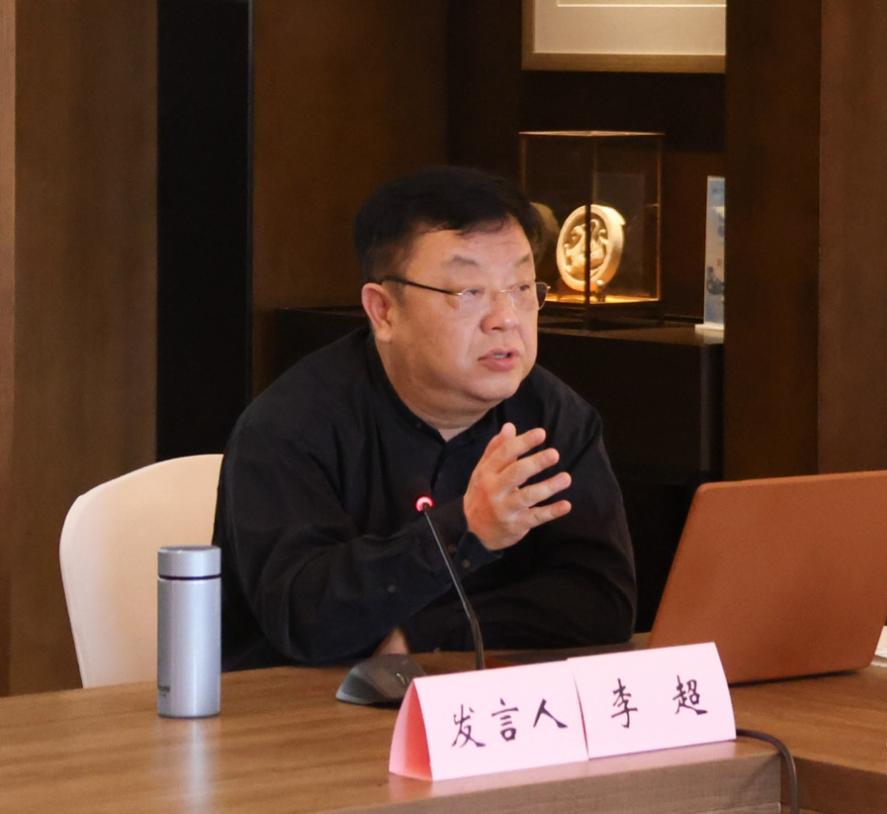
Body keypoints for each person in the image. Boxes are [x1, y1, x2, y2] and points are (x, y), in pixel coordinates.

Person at [213, 166, 636, 670]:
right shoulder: (288, 428)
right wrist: (466, 527)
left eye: (522, 287)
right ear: (384, 311)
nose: (506, 318)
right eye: (468, 292)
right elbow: (306, 618)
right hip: (297, 708)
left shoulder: (554, 418)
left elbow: (602, 601)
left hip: (479, 705)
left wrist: (422, 635)